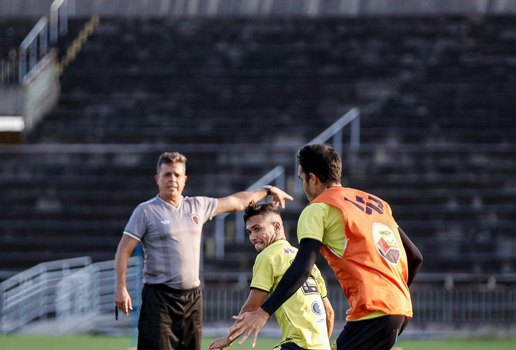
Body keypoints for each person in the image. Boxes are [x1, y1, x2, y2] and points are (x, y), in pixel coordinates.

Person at [228, 144, 423, 350]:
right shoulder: (376, 203)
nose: (303, 185)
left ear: (313, 179)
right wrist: (394, 295)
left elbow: (302, 268)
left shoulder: (318, 209)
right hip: (400, 308)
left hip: (372, 311)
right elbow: (415, 257)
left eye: (302, 179)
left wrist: (264, 311)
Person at [114, 151, 293, 350]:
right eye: (167, 175)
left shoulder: (197, 205)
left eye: (177, 174)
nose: (172, 179)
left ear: (184, 179)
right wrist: (121, 287)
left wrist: (267, 189)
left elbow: (238, 201)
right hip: (159, 299)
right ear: (157, 179)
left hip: (192, 299)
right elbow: (123, 249)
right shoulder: (145, 211)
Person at [209, 202, 334, 350]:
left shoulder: (268, 256)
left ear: (277, 226)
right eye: (249, 232)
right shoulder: (307, 262)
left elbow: (251, 307)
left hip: (296, 344)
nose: (253, 237)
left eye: (257, 229)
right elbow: (329, 313)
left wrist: (228, 339)